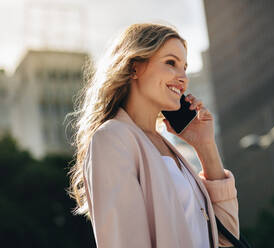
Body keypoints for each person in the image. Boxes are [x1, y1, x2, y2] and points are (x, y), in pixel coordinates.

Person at [68, 23, 239, 248]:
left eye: (184, 68)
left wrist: (205, 146)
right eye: (171, 63)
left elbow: (227, 240)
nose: (183, 78)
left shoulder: (172, 151)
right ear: (134, 68)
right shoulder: (111, 139)